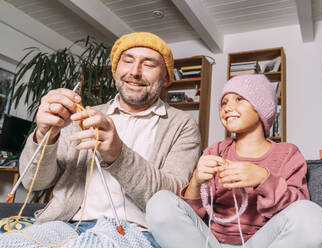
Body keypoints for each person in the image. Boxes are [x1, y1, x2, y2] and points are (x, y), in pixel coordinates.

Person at [0, 32, 201, 247]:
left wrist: (118, 154)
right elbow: (35, 182)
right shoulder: (83, 115)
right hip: (64, 225)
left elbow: (173, 199)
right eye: (128, 61)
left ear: (166, 78)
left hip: (135, 232)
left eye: (149, 64)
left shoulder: (182, 125)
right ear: (116, 69)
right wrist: (45, 134)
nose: (135, 71)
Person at [146, 74, 322, 248]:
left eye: (239, 99)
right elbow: (191, 218)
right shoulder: (216, 151)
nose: (227, 107)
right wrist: (196, 181)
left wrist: (264, 179)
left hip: (264, 242)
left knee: (311, 216)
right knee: (159, 202)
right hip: (210, 242)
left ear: (261, 107)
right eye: (224, 102)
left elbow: (298, 208)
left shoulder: (288, 153)